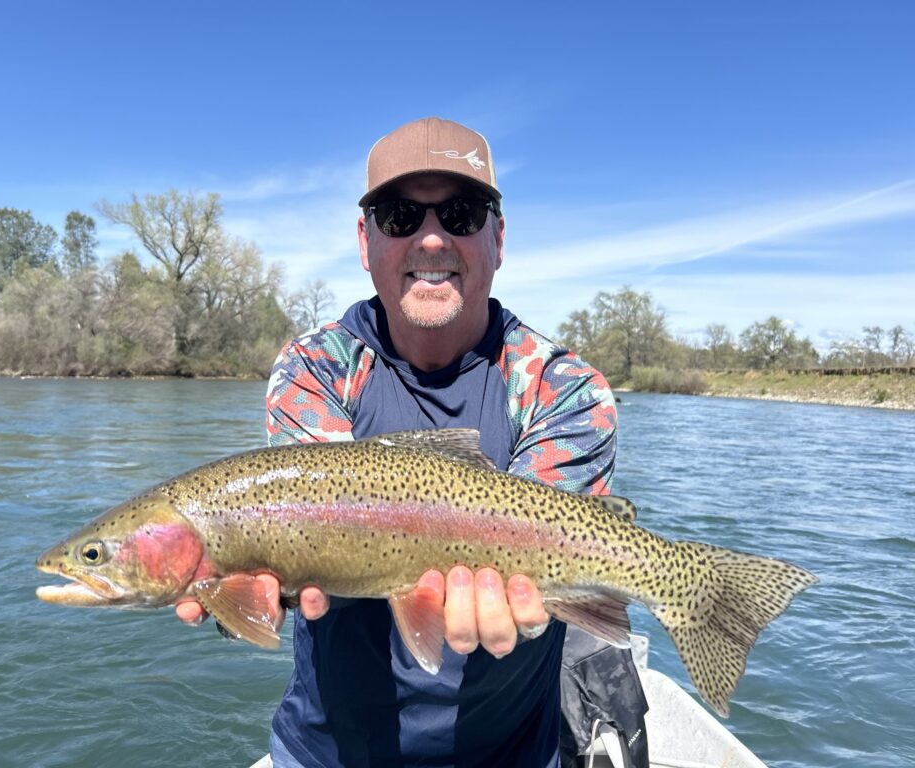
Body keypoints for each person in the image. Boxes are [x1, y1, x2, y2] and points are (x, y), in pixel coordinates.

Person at [176, 117, 648, 767]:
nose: (431, 238)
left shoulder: (564, 387)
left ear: (498, 238)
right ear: (365, 240)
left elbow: (543, 545)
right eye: (399, 215)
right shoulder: (315, 368)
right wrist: (244, 592)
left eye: (461, 213)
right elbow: (312, 520)